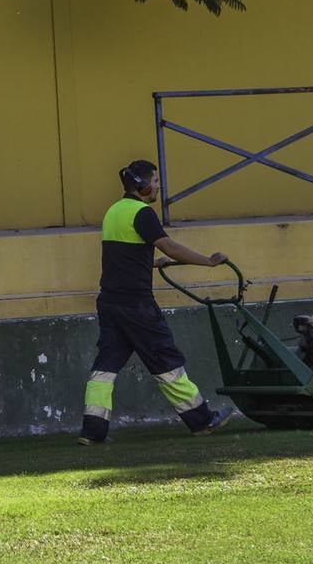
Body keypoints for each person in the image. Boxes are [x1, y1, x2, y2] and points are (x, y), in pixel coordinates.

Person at [78, 159, 233, 445]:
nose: (158, 187)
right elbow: (170, 246)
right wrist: (208, 262)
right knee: (165, 360)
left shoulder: (113, 212)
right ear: (143, 185)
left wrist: (149, 262)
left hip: (110, 302)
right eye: (156, 181)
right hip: (136, 305)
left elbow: (120, 255)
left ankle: (93, 431)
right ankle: (202, 420)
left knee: (105, 367)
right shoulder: (142, 213)